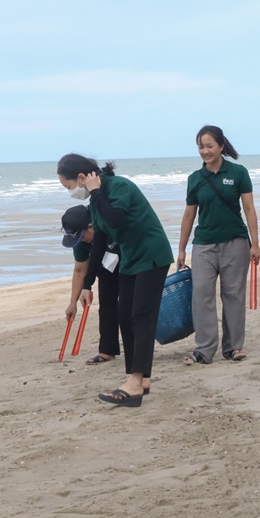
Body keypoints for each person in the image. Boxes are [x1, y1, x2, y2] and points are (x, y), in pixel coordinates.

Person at [57, 154, 174, 407]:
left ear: (82, 178)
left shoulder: (119, 186)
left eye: (68, 186)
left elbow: (116, 219)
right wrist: (87, 285)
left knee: (141, 316)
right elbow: (99, 242)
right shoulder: (94, 201)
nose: (70, 192)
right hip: (131, 259)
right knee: (124, 316)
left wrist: (96, 193)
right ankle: (141, 380)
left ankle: (135, 380)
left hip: (152, 254)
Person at [177, 126, 260, 365]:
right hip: (203, 245)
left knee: (233, 295)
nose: (205, 151)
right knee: (201, 294)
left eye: (209, 146)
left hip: (236, 242)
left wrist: (255, 244)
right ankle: (204, 350)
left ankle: (233, 348)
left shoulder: (238, 173)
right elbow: (189, 215)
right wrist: (181, 249)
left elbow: (249, 209)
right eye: (201, 147)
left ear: (221, 146)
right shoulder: (195, 179)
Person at [60, 204, 121, 365]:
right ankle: (107, 351)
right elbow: (80, 270)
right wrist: (72, 303)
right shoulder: (81, 239)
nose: (82, 241)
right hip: (106, 264)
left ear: (90, 226)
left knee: (130, 305)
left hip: (129, 255)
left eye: (82, 237)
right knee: (106, 304)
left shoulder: (107, 221)